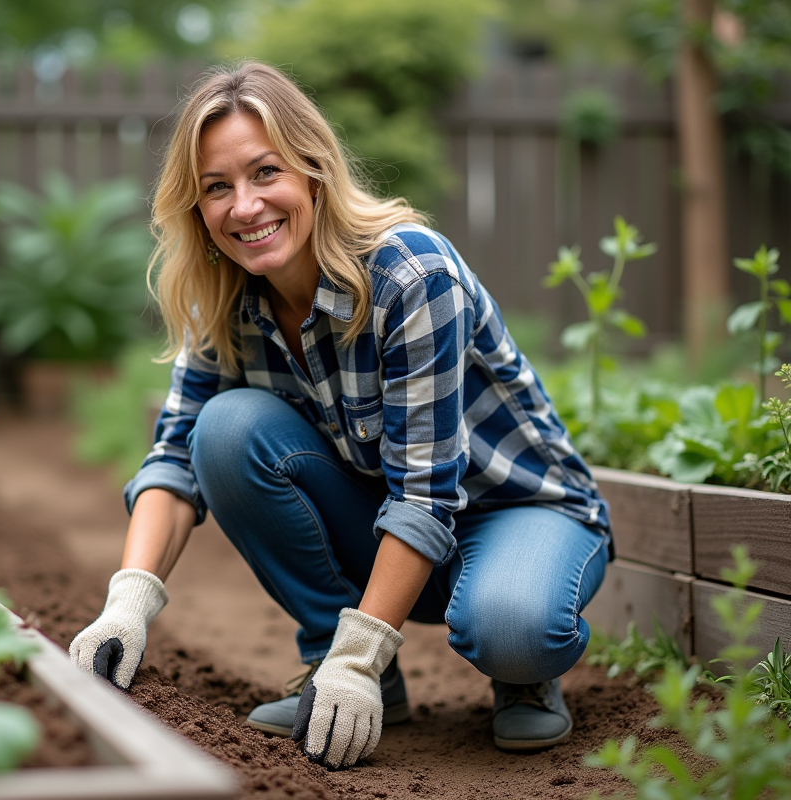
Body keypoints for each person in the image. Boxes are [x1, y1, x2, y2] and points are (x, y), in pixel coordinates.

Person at [69, 61, 612, 771]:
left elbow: (426, 492)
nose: (245, 206)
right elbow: (174, 459)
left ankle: (517, 674)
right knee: (226, 430)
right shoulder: (225, 296)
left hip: (515, 511)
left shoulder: (410, 275)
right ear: (196, 211)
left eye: (266, 173)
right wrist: (128, 604)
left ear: (314, 172)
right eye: (217, 188)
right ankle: (348, 669)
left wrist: (362, 650)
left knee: (509, 627)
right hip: (391, 522)